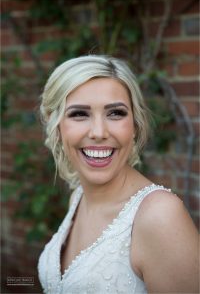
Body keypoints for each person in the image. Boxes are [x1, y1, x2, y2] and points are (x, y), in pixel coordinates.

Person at [38, 55, 199, 294]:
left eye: (115, 113)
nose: (99, 132)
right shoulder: (79, 197)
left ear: (134, 124)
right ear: (56, 124)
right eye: (79, 114)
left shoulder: (160, 216)